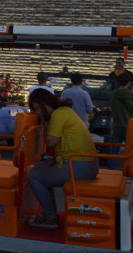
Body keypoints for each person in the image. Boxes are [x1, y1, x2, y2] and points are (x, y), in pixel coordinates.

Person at [25, 88, 99, 229]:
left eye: (38, 108)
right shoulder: (66, 111)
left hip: (77, 166)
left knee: (33, 174)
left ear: (46, 103)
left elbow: (51, 142)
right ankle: (50, 213)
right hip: (86, 163)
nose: (38, 113)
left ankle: (50, 217)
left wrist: (45, 122)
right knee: (41, 169)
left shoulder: (58, 115)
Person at [108, 72, 133, 169]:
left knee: (114, 151)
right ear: (128, 83)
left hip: (116, 125)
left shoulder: (112, 94)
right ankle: (128, 169)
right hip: (128, 127)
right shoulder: (132, 95)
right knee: (130, 151)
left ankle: (111, 171)